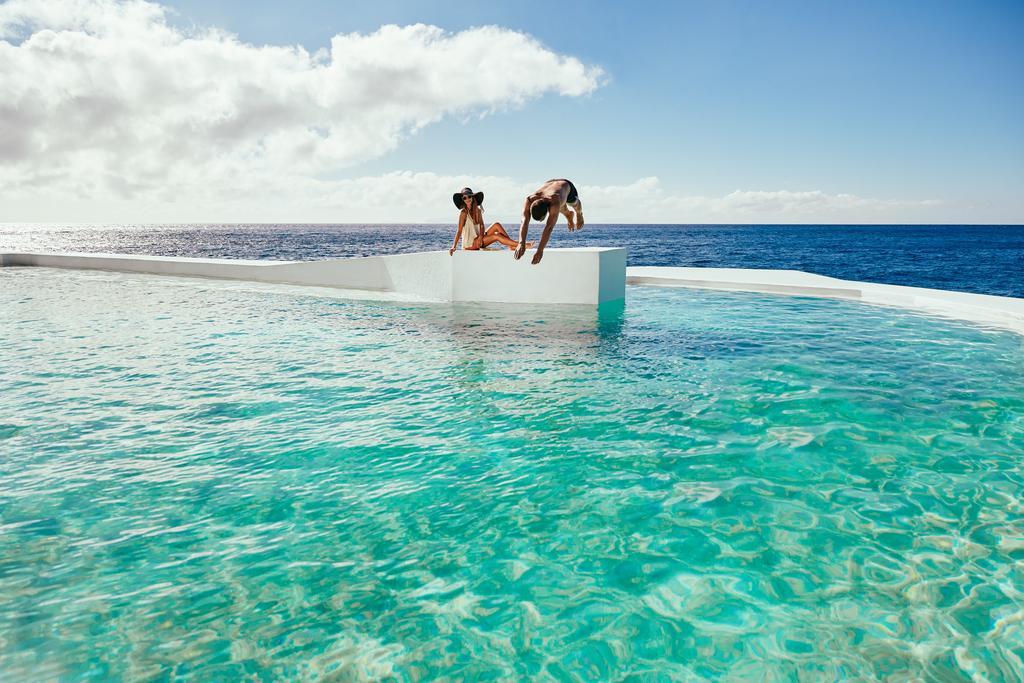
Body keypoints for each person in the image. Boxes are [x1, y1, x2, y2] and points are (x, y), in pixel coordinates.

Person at [513, 178, 584, 265]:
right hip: (550, 183)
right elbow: (524, 221)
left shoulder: (554, 201)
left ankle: (579, 214)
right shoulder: (529, 200)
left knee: (574, 204)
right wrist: (521, 242)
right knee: (560, 206)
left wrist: (540, 251)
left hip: (566, 186)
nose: (540, 222)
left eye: (541, 219)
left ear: (547, 211)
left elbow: (549, 228)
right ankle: (569, 215)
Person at [448, 187, 520, 255]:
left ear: (472, 197)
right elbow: (459, 231)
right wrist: (454, 246)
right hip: (470, 243)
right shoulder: (463, 213)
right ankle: (521, 245)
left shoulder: (477, 211)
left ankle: (511, 245)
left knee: (496, 224)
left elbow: (482, 225)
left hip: (478, 238)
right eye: (464, 198)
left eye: (469, 196)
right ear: (463, 200)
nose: (467, 199)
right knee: (497, 236)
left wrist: (480, 237)